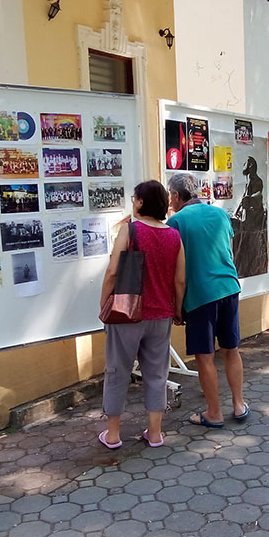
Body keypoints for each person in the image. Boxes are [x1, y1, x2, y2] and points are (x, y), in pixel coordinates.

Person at [98, 180, 185, 449]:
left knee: (117, 371)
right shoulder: (174, 236)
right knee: (157, 374)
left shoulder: (130, 230)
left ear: (142, 202)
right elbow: (179, 280)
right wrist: (178, 311)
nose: (133, 202)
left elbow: (113, 271)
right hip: (160, 315)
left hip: (127, 313)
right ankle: (155, 433)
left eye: (135, 198)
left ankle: (113, 434)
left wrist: (104, 303)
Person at [167, 173, 249, 428]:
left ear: (177, 196)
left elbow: (177, 273)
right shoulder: (220, 214)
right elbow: (229, 249)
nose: (170, 200)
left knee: (204, 356)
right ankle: (238, 404)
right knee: (231, 349)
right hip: (228, 287)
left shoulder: (176, 222)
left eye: (171, 195)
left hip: (200, 295)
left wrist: (177, 306)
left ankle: (214, 412)